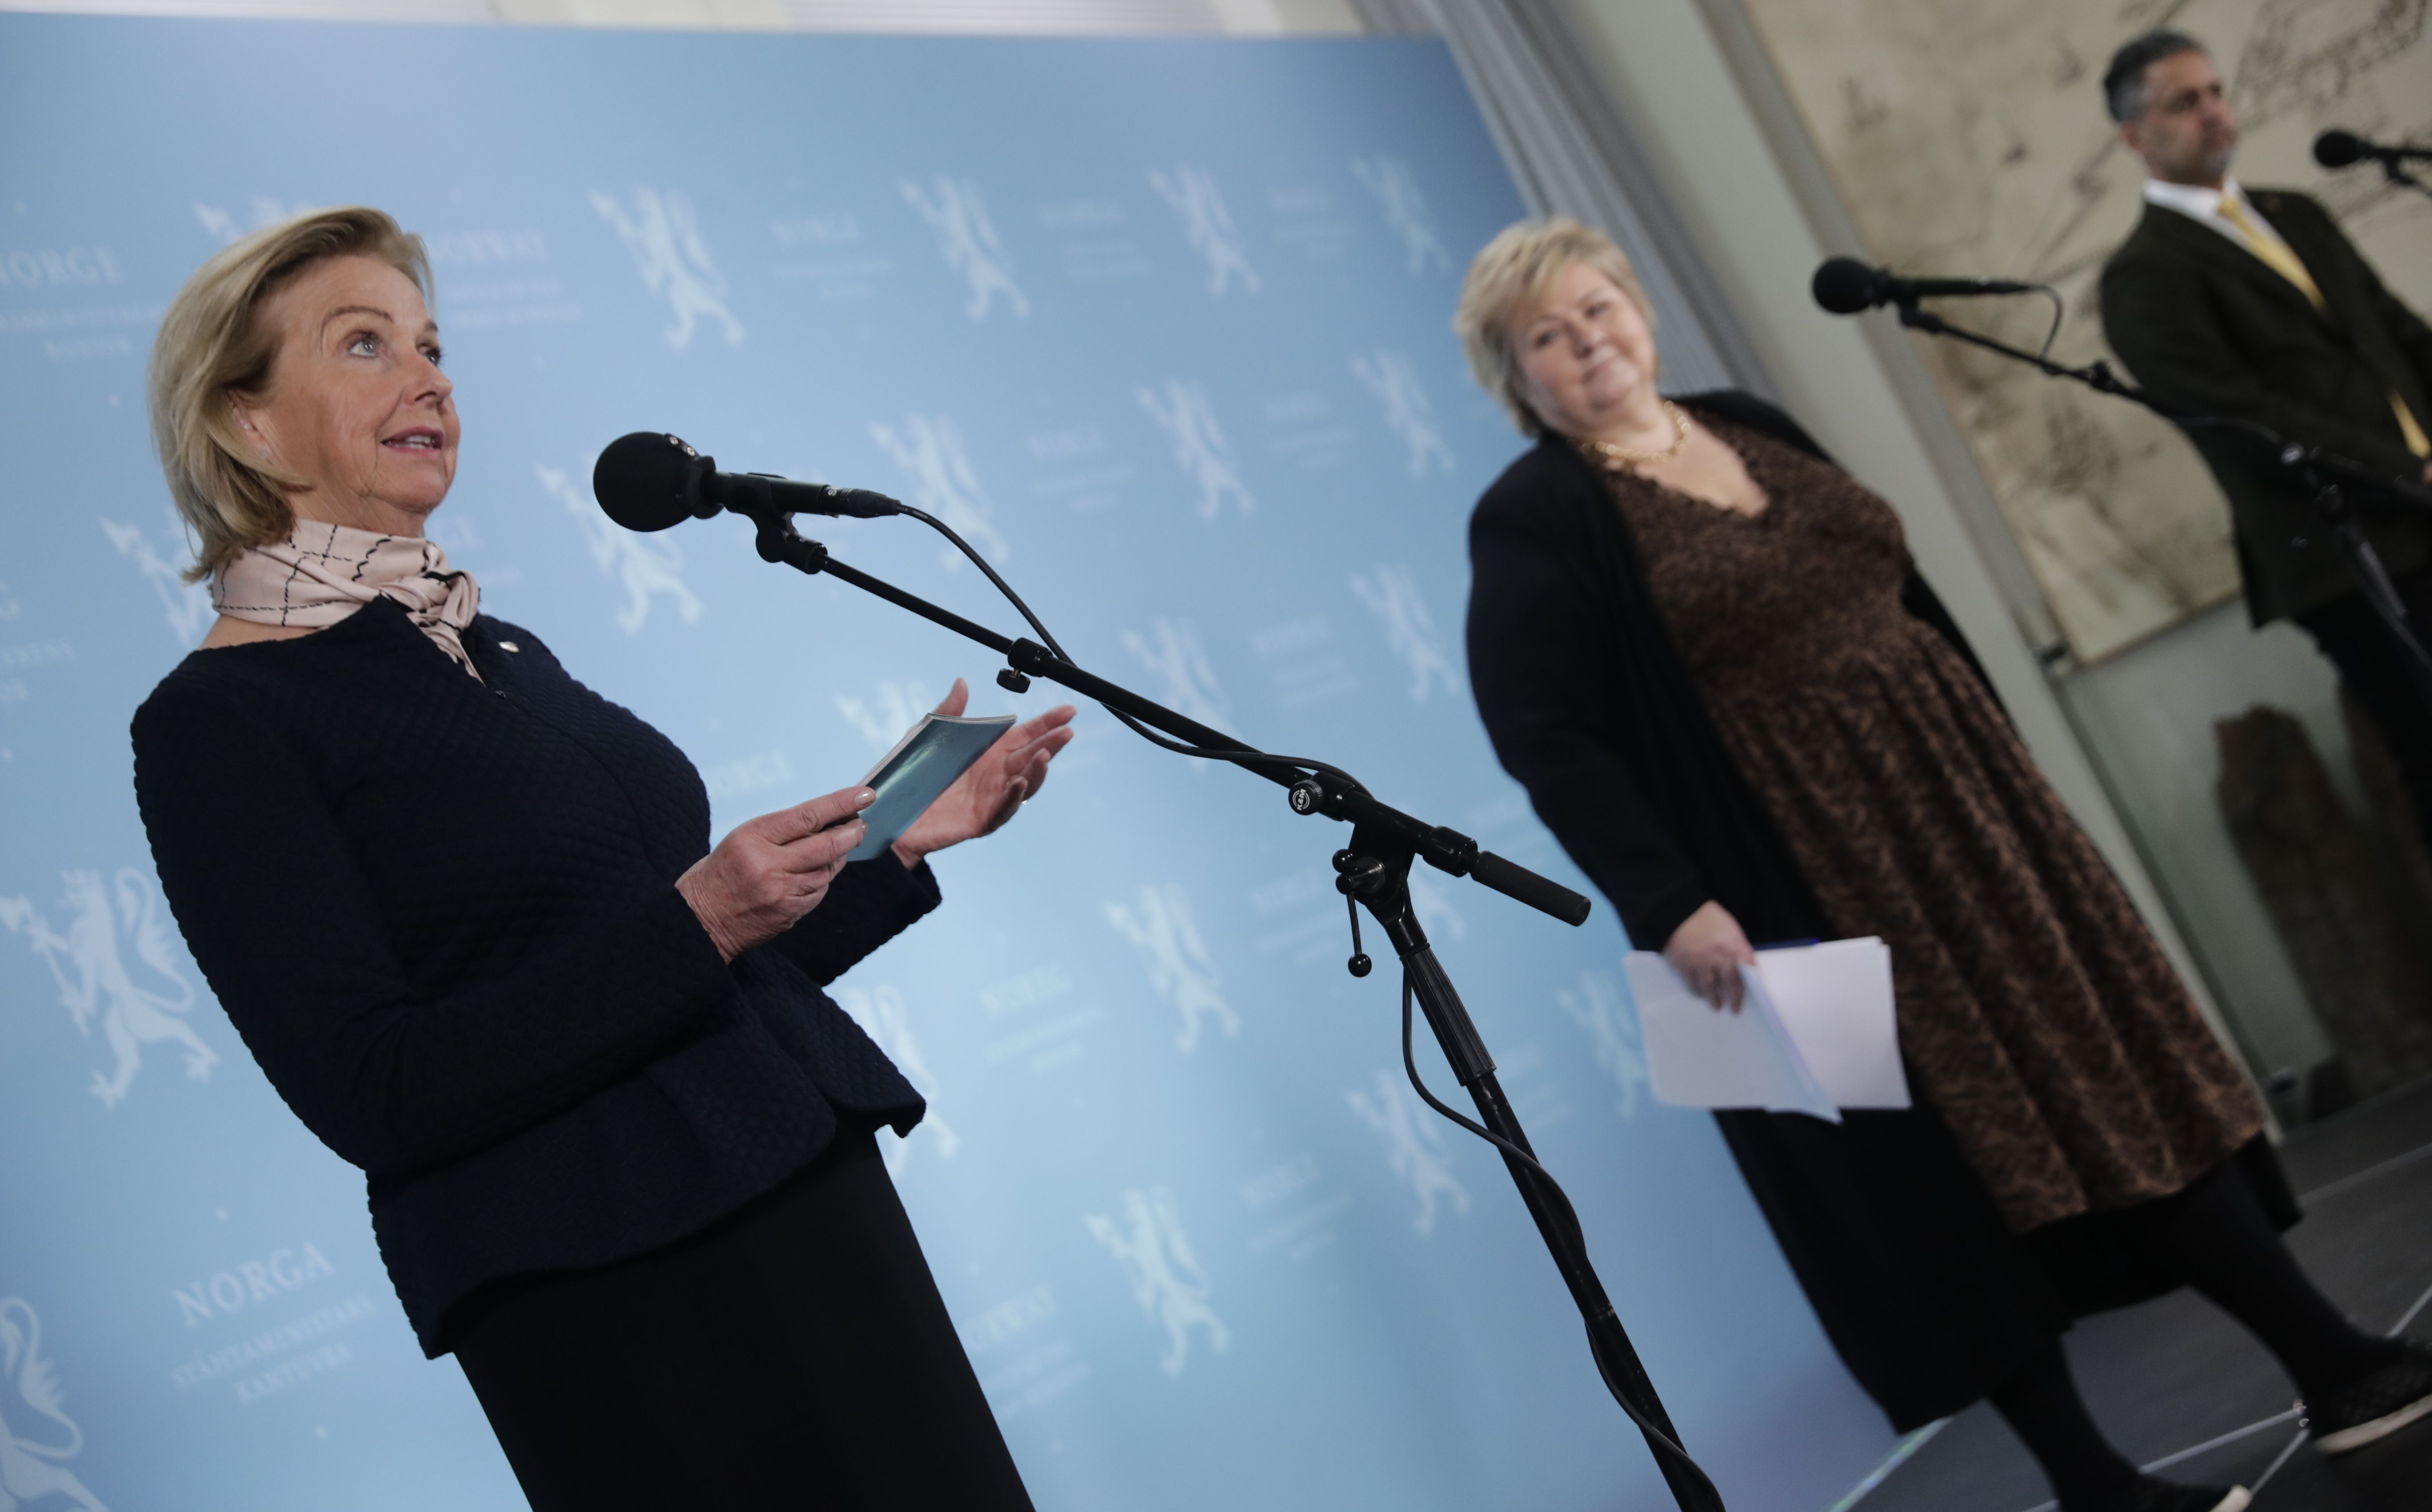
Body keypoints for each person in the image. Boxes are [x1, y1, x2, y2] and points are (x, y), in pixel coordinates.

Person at [1456, 217, 2432, 1512]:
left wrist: (2000, 765)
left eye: (1599, 308)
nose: (1589, 342)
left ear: (1637, 308)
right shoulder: (1533, 516)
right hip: (1788, 879)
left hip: (1966, 820)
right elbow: (1546, 736)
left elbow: (1902, 593)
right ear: (1514, 377)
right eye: (1547, 335)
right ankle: (2092, 1485)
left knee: (2114, 1078)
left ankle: (2332, 1362)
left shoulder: (1745, 419)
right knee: (1922, 1191)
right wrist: (1671, 901)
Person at [131, 207, 1073, 1511]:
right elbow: (375, 1088)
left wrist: (892, 846)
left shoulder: (490, 647)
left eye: (431, 346)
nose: (430, 379)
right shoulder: (220, 723)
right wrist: (702, 920)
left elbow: (684, 968)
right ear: (246, 420)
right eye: (364, 345)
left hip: (801, 1191)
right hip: (620, 1296)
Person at [2098, 30, 2432, 852]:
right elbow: (2250, 419)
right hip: (2351, 551)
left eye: (2216, 91)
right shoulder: (2145, 275)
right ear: (2134, 137)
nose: (2214, 111)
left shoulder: (2295, 213)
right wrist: (2411, 471)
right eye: (2185, 102)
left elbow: (2394, 335)